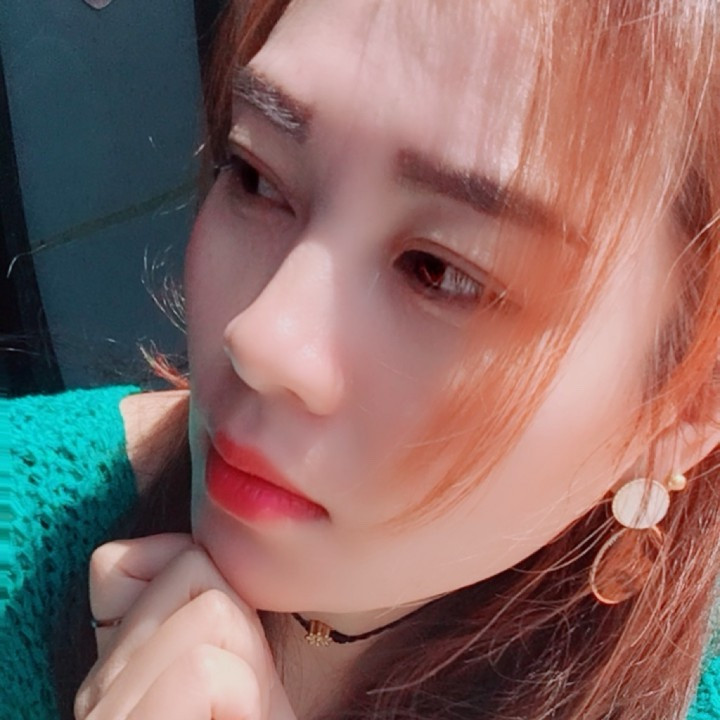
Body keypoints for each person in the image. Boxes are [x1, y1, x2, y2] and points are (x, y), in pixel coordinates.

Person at [3, 0, 720, 718]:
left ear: (684, 409)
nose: (260, 339)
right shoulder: (20, 539)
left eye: (439, 271)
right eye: (255, 175)